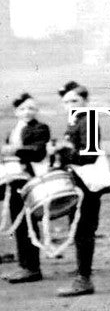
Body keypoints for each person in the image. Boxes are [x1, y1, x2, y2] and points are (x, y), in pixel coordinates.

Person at [50, 82, 110, 295]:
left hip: (87, 183)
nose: (70, 105)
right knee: (80, 229)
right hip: (81, 182)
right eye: (66, 102)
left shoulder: (88, 121)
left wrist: (64, 152)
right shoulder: (77, 120)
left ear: (86, 101)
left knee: (83, 229)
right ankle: (82, 273)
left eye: (74, 101)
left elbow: (88, 155)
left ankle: (84, 280)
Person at [1, 93, 50, 283]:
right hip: (14, 180)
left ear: (36, 110)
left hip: (29, 180)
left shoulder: (40, 128)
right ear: (16, 112)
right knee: (19, 224)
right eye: (23, 108)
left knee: (27, 223)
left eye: (31, 108)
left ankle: (32, 268)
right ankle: (23, 266)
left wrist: (15, 151)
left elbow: (38, 152)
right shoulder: (13, 130)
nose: (27, 112)